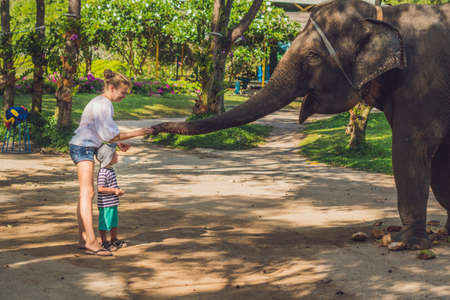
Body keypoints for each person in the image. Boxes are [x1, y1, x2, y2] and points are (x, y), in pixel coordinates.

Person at [69, 69, 153, 256]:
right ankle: (91, 241)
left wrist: (117, 141)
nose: (124, 96)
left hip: (86, 146)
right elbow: (110, 134)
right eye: (122, 93)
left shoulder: (102, 103)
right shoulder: (103, 104)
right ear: (112, 88)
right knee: (88, 192)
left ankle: (83, 239)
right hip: (83, 147)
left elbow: (102, 133)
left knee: (85, 193)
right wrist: (140, 132)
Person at [95, 143, 127, 251]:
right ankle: (104, 242)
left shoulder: (110, 170)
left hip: (112, 203)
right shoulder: (103, 172)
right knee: (104, 223)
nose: (117, 156)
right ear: (109, 158)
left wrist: (117, 191)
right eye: (115, 154)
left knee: (113, 222)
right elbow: (100, 188)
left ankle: (114, 240)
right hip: (105, 204)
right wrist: (115, 190)